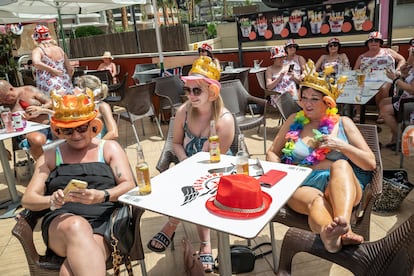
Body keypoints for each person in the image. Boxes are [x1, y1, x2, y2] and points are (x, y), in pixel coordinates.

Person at [21, 89, 135, 275]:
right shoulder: (50, 155)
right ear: (59, 130)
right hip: (62, 223)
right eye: (68, 130)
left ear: (93, 125)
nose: (76, 135)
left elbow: (129, 185)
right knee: (76, 226)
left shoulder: (108, 148)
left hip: (103, 222)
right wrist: (51, 200)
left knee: (69, 270)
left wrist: (103, 195)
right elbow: (28, 199)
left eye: (82, 128)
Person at [266, 59, 376, 253]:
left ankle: (342, 227)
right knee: (316, 201)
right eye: (303, 97)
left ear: (328, 102)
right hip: (303, 183)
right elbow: (273, 152)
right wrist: (282, 174)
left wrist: (340, 145)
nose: (306, 103)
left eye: (314, 98)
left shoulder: (344, 123)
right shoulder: (294, 120)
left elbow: (370, 163)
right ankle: (330, 235)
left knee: (340, 165)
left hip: (343, 184)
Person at [147, 56, 235, 273]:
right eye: (188, 90)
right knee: (179, 184)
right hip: (187, 163)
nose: (190, 95)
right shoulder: (183, 112)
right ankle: (193, 235)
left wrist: (194, 171)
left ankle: (179, 228)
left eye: (197, 91)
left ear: (212, 92)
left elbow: (219, 160)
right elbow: (175, 143)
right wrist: (185, 163)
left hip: (217, 168)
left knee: (198, 189)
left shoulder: (224, 120)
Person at [353, 31, 406, 124]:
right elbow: (355, 70)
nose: (373, 43)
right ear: (367, 43)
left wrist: (398, 70)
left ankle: (381, 112)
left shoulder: (388, 51)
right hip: (368, 79)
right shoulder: (362, 56)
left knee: (383, 88)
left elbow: (402, 59)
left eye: (376, 41)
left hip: (386, 77)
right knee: (358, 85)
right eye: (371, 41)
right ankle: (358, 112)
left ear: (380, 43)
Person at [0, 80, 53, 160]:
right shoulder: (4, 106)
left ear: (11, 89)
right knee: (37, 139)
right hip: (26, 133)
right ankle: (43, 165)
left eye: (6, 97)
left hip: (47, 126)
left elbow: (51, 102)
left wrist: (41, 108)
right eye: (2, 100)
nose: (5, 101)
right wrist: (3, 149)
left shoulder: (29, 90)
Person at [379, 53, 414, 150]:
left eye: (410, 53)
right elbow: (408, 82)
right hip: (406, 97)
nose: (408, 55)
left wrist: (395, 79)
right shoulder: (412, 68)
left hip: (410, 102)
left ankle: (404, 140)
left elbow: (411, 89)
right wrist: (404, 74)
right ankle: (395, 137)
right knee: (383, 102)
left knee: (385, 111)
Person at [31, 25, 74, 96]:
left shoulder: (38, 50)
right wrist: (67, 79)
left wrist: (52, 70)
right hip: (65, 82)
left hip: (48, 83)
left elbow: (36, 63)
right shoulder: (59, 49)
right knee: (68, 104)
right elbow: (70, 69)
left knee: (52, 105)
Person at [76, 75, 118, 140]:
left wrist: (98, 146)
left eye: (78, 88)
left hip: (97, 144)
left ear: (87, 92)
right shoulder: (79, 106)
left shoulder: (102, 106)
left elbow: (113, 133)